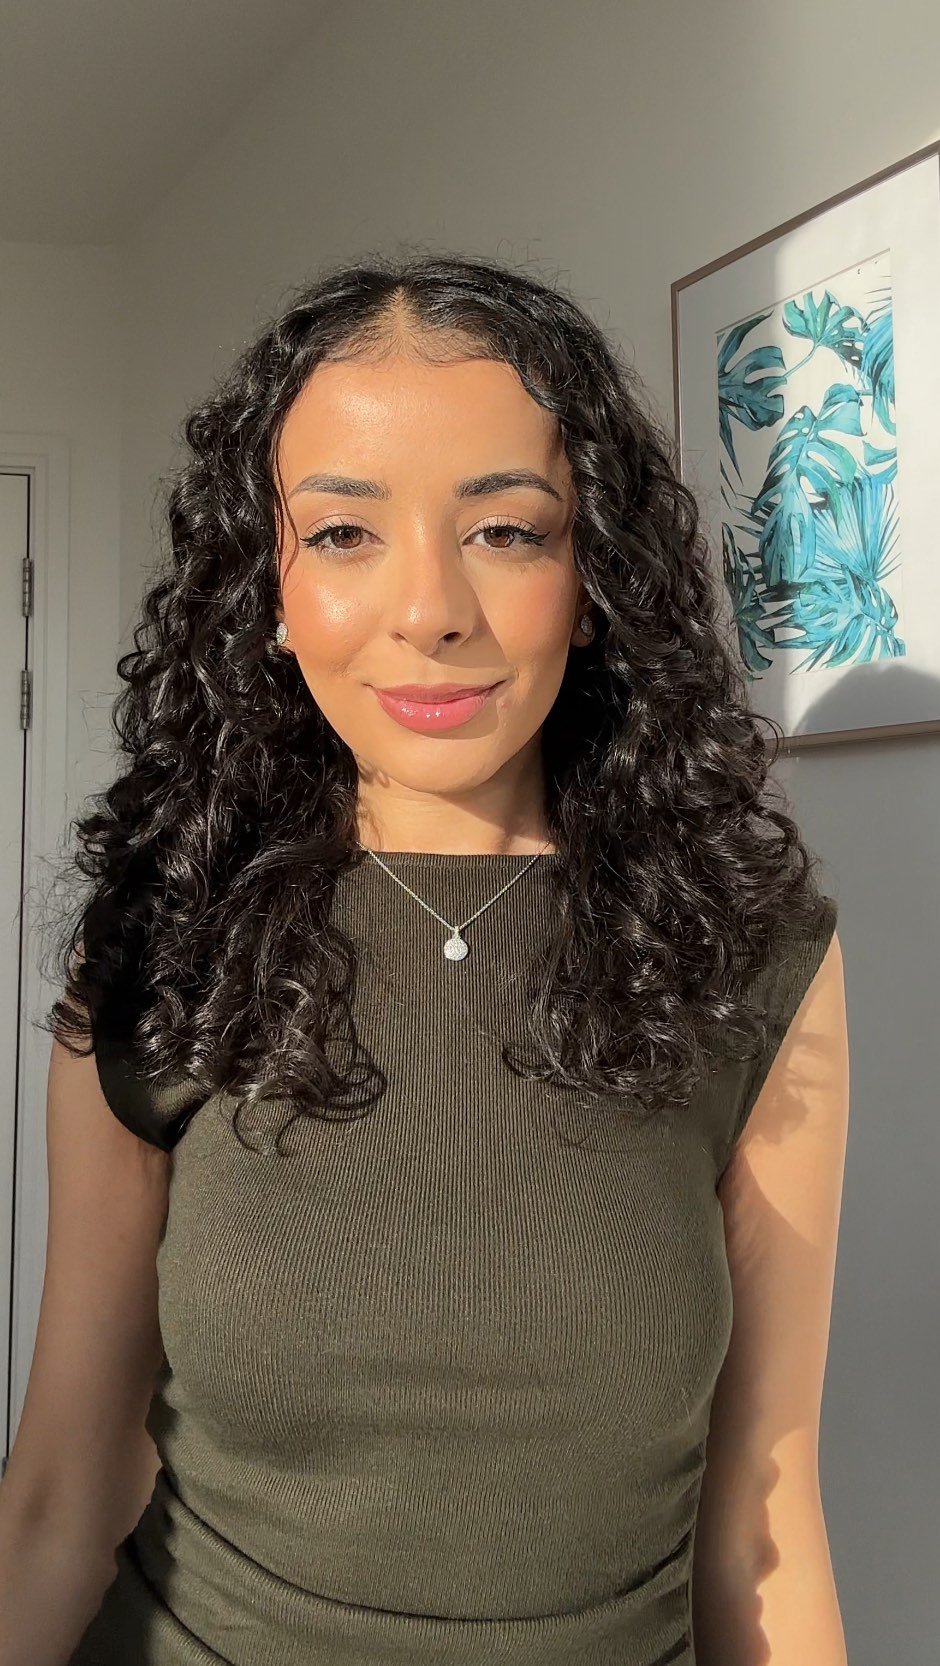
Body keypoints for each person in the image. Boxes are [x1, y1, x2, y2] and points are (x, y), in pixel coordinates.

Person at [0, 251, 849, 1666]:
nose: (430, 608)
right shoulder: (166, 940)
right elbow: (57, 1496)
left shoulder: (745, 953)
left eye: (506, 529)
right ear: (270, 591)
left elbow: (765, 1525)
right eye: (344, 533)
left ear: (592, 578)